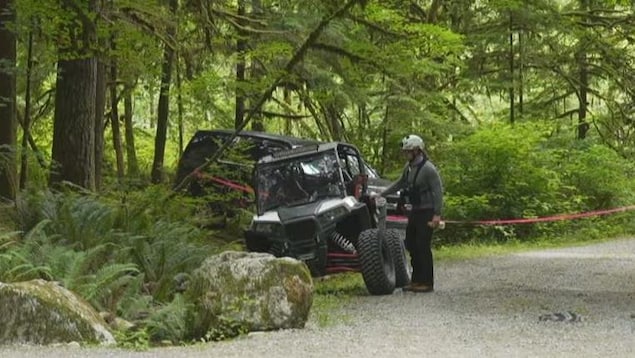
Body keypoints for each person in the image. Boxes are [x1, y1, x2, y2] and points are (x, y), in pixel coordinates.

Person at [376, 134, 443, 293]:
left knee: (422, 246)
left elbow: (438, 192)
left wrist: (437, 214)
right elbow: (400, 183)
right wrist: (382, 194)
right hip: (415, 211)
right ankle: (416, 280)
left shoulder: (428, 169)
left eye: (408, 151)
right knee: (411, 244)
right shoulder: (409, 168)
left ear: (417, 151)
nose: (406, 154)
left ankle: (427, 282)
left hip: (427, 212)